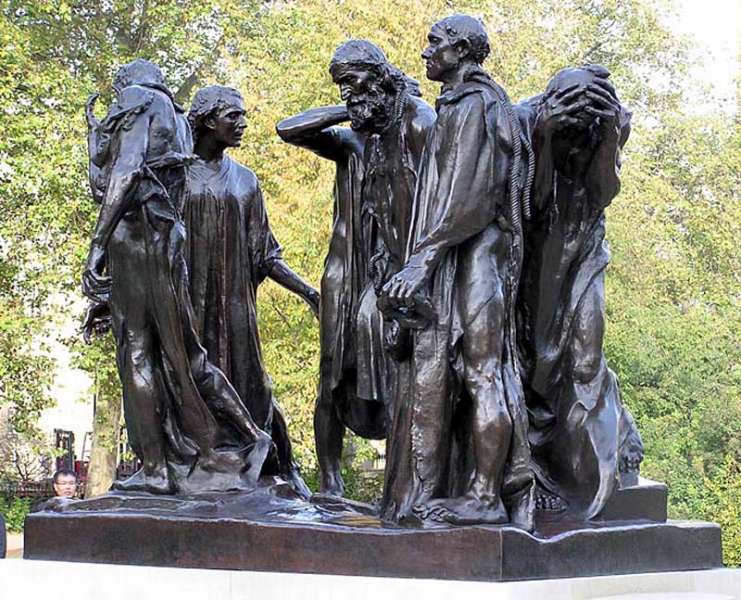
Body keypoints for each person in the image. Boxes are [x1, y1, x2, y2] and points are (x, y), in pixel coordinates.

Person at [82, 59, 272, 495]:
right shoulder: (176, 120)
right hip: (167, 245)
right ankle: (250, 435)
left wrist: (97, 247)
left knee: (137, 352)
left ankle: (155, 469)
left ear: (126, 83)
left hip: (136, 241)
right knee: (188, 355)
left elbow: (125, 174)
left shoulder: (139, 100)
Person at [380, 15, 534, 527]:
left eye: (435, 44)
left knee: (483, 371)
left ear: (462, 50)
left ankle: (486, 497)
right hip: (467, 252)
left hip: (476, 254)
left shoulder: (475, 104)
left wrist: (423, 259)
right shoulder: (468, 103)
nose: (425, 53)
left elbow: (471, 197)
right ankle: (471, 491)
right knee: (476, 373)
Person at [277, 41, 435, 496]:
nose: (347, 90)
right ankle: (329, 478)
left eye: (352, 80)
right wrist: (347, 109)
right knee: (331, 370)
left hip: (394, 266)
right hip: (345, 270)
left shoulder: (410, 128)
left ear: (379, 77)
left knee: (400, 361)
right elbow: (288, 129)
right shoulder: (351, 142)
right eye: (341, 84)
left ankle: (402, 475)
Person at [516, 65, 644, 517]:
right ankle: (535, 465)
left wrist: (609, 135)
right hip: (535, 258)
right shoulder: (525, 119)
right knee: (533, 360)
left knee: (587, 355)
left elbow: (603, 190)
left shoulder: (612, 121)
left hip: (584, 252)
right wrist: (546, 137)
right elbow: (533, 203)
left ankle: (598, 464)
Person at [184, 85, 319, 496]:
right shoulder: (174, 176)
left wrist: (309, 292)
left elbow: (266, 253)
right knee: (190, 386)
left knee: (253, 386)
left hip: (237, 306)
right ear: (209, 121)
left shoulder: (245, 182)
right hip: (188, 306)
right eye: (234, 117)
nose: (242, 125)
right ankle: (196, 467)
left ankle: (284, 462)